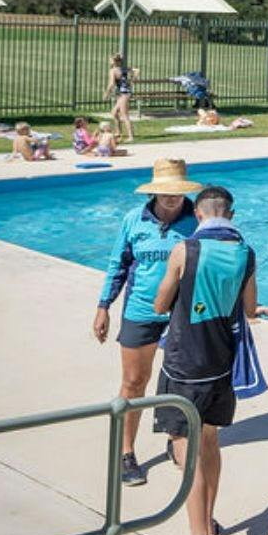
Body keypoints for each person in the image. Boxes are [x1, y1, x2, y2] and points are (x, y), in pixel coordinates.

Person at [151, 184, 268, 535]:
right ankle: (208, 523)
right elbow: (251, 308)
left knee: (187, 457)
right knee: (209, 444)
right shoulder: (245, 253)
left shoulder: (185, 250)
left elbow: (159, 303)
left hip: (185, 366)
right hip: (222, 365)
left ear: (199, 215)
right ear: (230, 216)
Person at [92, 158, 201, 488]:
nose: (171, 197)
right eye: (164, 192)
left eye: (176, 192)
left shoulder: (197, 221)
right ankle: (127, 451)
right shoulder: (133, 220)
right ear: (154, 191)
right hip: (140, 312)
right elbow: (118, 265)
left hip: (181, 316)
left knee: (182, 383)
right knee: (134, 382)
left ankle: (176, 438)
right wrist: (103, 306)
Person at [108, 53, 135, 144]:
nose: (109, 61)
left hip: (124, 94)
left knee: (124, 115)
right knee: (114, 113)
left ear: (115, 61)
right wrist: (132, 79)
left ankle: (131, 136)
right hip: (124, 93)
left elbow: (111, 84)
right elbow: (137, 70)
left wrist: (106, 93)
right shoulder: (124, 68)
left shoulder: (113, 71)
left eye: (111, 60)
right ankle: (118, 132)